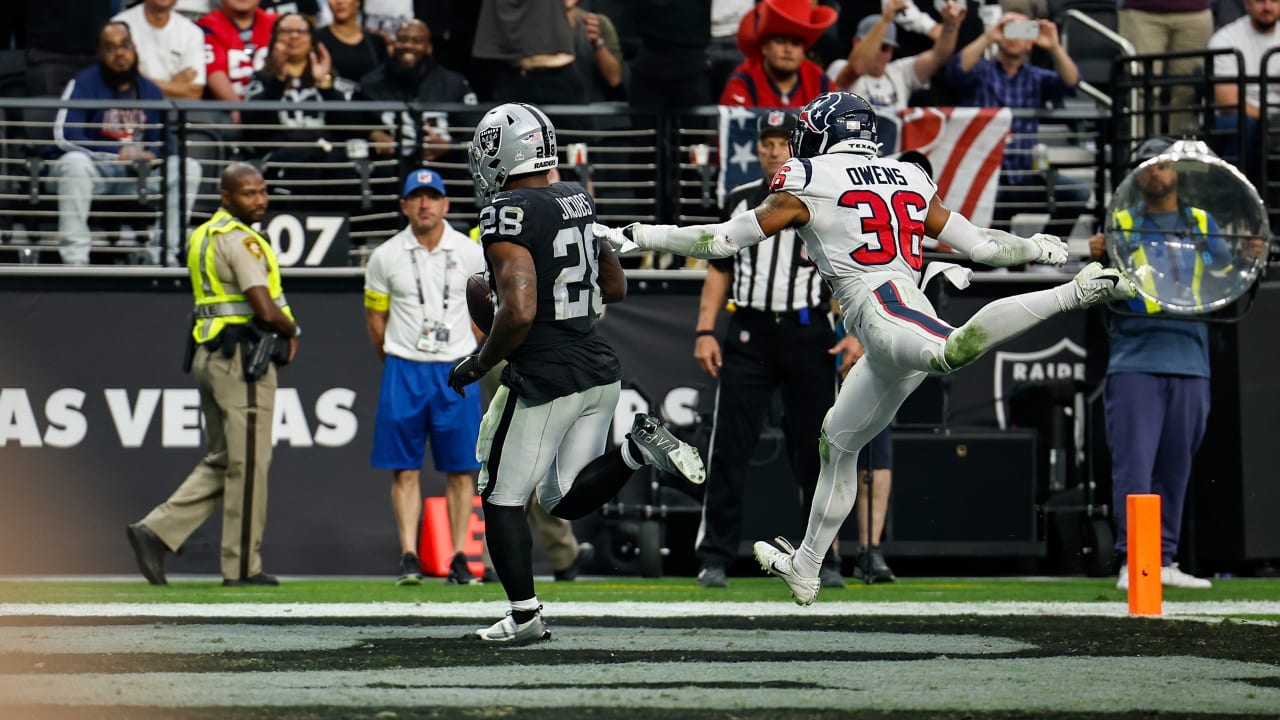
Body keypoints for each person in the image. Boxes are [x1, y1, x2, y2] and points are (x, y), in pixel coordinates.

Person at [593, 91, 1138, 605]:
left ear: (824, 133)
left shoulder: (808, 176)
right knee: (837, 442)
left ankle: (1074, 292)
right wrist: (1034, 248)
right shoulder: (908, 173)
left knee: (953, 350)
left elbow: (721, 241)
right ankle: (807, 565)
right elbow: (981, 244)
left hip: (883, 312)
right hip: (889, 320)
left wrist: (640, 233)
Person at [452, 102, 706, 643]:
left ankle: (524, 616)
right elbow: (615, 287)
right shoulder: (577, 199)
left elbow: (517, 311)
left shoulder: (506, 212)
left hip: (546, 373)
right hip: (597, 365)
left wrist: (480, 361)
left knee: (499, 493)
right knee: (562, 497)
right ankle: (638, 450)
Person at [692, 110, 858, 591]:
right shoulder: (741, 199)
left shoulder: (822, 197)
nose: (771, 148)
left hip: (809, 335)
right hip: (749, 333)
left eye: (781, 140)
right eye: (765, 140)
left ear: (797, 146)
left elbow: (842, 269)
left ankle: (822, 559)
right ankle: (715, 556)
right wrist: (706, 330)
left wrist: (849, 329)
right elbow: (719, 266)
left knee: (820, 451)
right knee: (728, 448)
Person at [126, 162, 300, 587]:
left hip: (210, 352)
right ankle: (242, 567)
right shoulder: (241, 240)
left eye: (262, 191)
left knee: (224, 459)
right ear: (226, 197)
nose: (260, 200)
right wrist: (292, 329)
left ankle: (156, 531)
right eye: (249, 194)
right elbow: (261, 304)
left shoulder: (202, 234)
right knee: (250, 463)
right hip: (240, 358)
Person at [1088, 138, 1243, 591]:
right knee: (1135, 466)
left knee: (1176, 465)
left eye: (1163, 166)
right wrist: (1095, 256)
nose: (1156, 174)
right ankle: (1133, 561)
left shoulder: (1200, 222)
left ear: (1176, 171)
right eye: (1146, 168)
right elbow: (1095, 289)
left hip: (1191, 355)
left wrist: (1245, 251)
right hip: (1135, 354)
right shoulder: (1118, 225)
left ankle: (1166, 558)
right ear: (1137, 176)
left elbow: (1229, 272)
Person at [363, 168, 488, 586]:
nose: (425, 204)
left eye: (432, 196)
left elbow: (483, 311)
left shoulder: (471, 251)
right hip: (405, 366)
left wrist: (471, 352)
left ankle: (457, 557)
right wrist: (399, 355)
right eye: (416, 197)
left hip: (456, 367)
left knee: (461, 469)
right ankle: (409, 556)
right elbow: (375, 319)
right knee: (404, 469)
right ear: (404, 205)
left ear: (446, 204)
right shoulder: (385, 255)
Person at [51, 20, 203, 266]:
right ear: (100, 53)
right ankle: (75, 260)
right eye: (110, 48)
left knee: (188, 168)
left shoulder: (150, 91)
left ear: (135, 49)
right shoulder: (83, 84)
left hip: (136, 175)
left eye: (125, 46)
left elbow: (167, 142)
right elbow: (66, 135)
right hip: (94, 172)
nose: (119, 53)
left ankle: (162, 255)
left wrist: (152, 154)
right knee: (74, 163)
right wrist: (117, 153)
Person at [944, 12, 1088, 240]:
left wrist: (1054, 47)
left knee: (1077, 191)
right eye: (1008, 29)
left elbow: (1071, 81)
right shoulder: (981, 71)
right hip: (985, 174)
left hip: (1024, 174)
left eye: (1022, 31)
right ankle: (999, 257)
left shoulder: (1037, 77)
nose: (1014, 37)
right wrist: (988, 36)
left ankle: (1045, 253)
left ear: (1031, 41)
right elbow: (955, 71)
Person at [357, 19, 476, 166]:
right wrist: (373, 134)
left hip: (443, 168)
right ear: (394, 44)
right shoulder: (371, 83)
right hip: (389, 170)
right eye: (402, 39)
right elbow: (350, 122)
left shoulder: (454, 83)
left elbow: (475, 129)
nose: (408, 45)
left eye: (416, 41)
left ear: (428, 47)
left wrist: (451, 145)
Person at [828, 1, 966, 113]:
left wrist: (950, 27)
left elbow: (938, 56)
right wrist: (886, 20)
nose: (879, 53)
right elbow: (857, 67)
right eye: (875, 46)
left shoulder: (899, 72)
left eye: (886, 48)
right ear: (856, 42)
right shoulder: (838, 67)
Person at [1208, 0, 1280, 185]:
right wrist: (1267, 119)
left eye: (1274, 1)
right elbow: (1227, 102)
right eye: (1260, 1)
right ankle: (1233, 194)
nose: (1267, 7)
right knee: (1239, 125)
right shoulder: (1225, 39)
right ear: (1246, 4)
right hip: (1246, 118)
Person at [1120, 0, 1214, 137]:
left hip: (1195, 12)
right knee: (1142, 90)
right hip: (1141, 12)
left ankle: (1184, 153)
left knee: (1190, 89)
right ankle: (1143, 153)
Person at [720, 0, 837, 107]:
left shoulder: (819, 81)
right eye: (780, 41)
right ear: (764, 47)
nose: (788, 49)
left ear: (803, 51)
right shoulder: (744, 81)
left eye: (795, 44)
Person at [113, 0, 208, 99]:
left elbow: (194, 92)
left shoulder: (192, 32)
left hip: (174, 112)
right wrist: (173, 83)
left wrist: (141, 84)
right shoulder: (118, 27)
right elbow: (122, 83)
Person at [199, 0, 278, 103]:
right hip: (224, 111)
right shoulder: (206, 26)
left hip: (275, 105)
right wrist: (239, 112)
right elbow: (215, 73)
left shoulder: (278, 23)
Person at [316, 0, 388, 96]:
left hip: (369, 106)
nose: (339, 2)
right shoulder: (317, 39)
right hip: (330, 105)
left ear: (358, 2)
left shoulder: (376, 42)